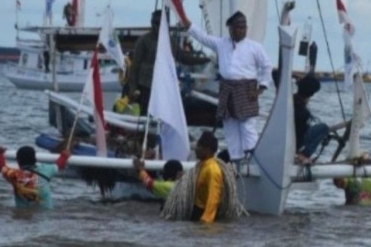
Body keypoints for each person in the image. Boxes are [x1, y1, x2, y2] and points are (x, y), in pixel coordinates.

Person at [182, 11, 272, 162]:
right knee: (230, 126)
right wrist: (187, 22)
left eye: (243, 27)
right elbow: (202, 37)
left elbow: (267, 67)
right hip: (227, 89)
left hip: (246, 90)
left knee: (247, 127)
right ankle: (236, 160)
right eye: (237, 27)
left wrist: (261, 88)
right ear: (230, 28)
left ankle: (253, 160)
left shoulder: (254, 47)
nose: (240, 30)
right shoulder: (221, 43)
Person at [128, 9, 210, 115]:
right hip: (146, 87)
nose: (156, 26)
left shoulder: (169, 41)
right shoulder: (143, 40)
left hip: (163, 85)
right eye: (154, 23)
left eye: (159, 23)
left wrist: (206, 59)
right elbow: (135, 67)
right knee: (145, 115)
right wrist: (133, 88)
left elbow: (184, 58)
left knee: (163, 115)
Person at [294, 75, 350, 164]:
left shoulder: (289, 100)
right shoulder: (303, 112)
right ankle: (304, 155)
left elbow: (275, 73)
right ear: (312, 94)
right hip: (295, 142)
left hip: (290, 136)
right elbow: (299, 134)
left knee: (312, 127)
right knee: (323, 127)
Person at [0, 145, 70, 209]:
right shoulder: (46, 170)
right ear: (35, 159)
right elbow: (59, 165)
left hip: (22, 217)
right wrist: (65, 155)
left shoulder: (14, 175)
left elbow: (2, 168)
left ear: (18, 161)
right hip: (46, 216)